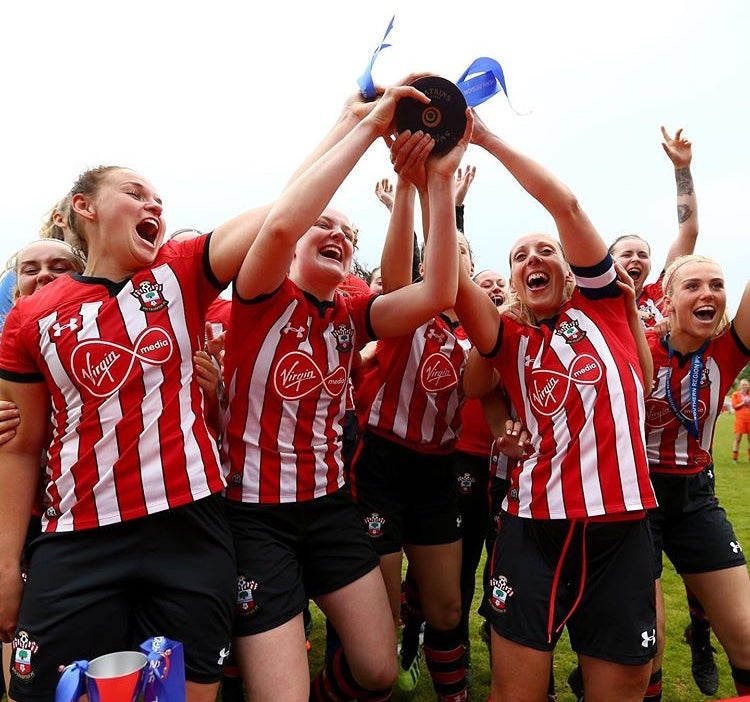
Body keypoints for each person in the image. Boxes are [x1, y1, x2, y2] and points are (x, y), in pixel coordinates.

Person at [0, 156, 291, 701]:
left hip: (188, 527)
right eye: (135, 192)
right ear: (83, 207)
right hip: (77, 534)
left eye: (158, 198)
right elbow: (20, 448)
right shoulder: (28, 322)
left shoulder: (176, 274)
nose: (153, 203)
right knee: (44, 690)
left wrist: (358, 125)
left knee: (180, 689)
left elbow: (283, 216)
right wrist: (5, 563)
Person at [220, 81, 472, 702]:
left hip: (330, 507)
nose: (336, 232)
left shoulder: (353, 309)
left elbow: (438, 293)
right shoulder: (258, 296)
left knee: (379, 670)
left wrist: (436, 182)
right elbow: (279, 225)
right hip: (256, 517)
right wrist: (366, 127)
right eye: (323, 225)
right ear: (300, 240)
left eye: (347, 231)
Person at [452, 110, 658, 702]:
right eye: (520, 255)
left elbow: (564, 205)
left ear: (572, 271)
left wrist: (486, 138)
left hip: (621, 530)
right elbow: (449, 288)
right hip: (533, 527)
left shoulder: (606, 310)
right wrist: (436, 185)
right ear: (514, 280)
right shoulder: (507, 337)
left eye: (546, 250)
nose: (533, 258)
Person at [643, 254, 750, 699]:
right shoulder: (638, 347)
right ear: (666, 300)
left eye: (717, 284)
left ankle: (701, 636)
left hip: (694, 497)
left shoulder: (726, 349)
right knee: (646, 645)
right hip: (636, 499)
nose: (708, 293)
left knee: (747, 638)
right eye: (693, 286)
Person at [0, 237, 85, 702]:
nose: (44, 275)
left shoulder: (103, 348)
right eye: (30, 269)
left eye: (59, 265)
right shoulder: (3, 357)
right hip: (22, 519)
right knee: (19, 627)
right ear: (16, 294)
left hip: (82, 516)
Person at [609, 126, 698, 328]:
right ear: (611, 261)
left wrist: (682, 168)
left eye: (642, 255)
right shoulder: (595, 301)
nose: (635, 259)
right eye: (627, 254)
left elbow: (689, 232)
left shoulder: (659, 295)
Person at [731, 377, 750, 462]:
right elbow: (735, 406)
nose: (744, 386)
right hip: (740, 420)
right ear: (740, 386)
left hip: (749, 419)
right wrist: (743, 402)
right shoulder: (736, 394)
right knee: (738, 439)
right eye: (743, 385)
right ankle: (735, 458)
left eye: (746, 385)